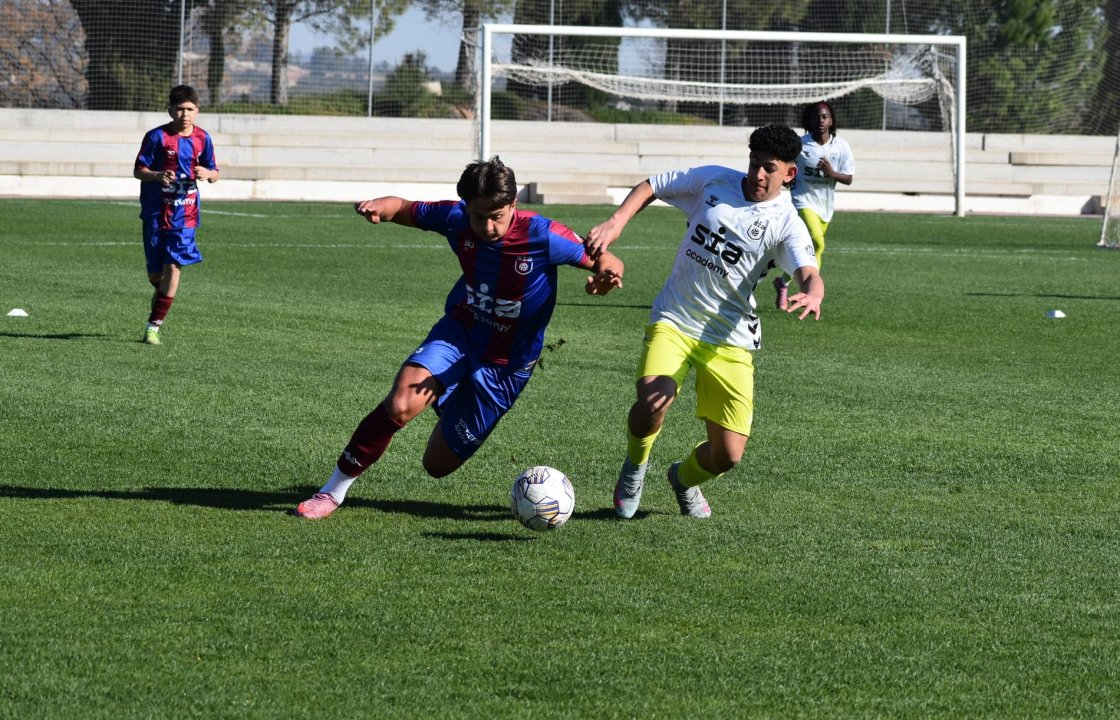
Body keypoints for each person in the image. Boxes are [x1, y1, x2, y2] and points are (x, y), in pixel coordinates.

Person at [296, 157, 624, 519]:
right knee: (400, 404)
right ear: (466, 207)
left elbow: (606, 260)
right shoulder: (456, 218)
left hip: (507, 368)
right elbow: (404, 208)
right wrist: (379, 208)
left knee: (436, 465)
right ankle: (332, 492)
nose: (487, 226)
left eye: (497, 215)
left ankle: (449, 397)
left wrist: (607, 276)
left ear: (514, 204)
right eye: (478, 215)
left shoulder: (544, 234)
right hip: (460, 335)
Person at [584, 125, 823, 520]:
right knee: (652, 402)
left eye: (769, 168)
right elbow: (652, 185)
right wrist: (616, 222)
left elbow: (808, 271)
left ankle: (682, 479)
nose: (757, 175)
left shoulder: (787, 222)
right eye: (753, 164)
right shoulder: (714, 180)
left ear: (789, 174)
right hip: (675, 318)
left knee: (728, 455)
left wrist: (813, 292)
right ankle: (634, 468)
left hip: (730, 338)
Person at [133, 84, 220, 345]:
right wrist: (158, 175)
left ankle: (153, 327)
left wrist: (208, 174)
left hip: (185, 214)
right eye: (180, 109)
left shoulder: (203, 138)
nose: (185, 114)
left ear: (197, 111)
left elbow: (215, 172)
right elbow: (139, 170)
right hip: (156, 212)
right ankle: (160, 297)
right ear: (170, 110)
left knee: (174, 265)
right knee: (155, 275)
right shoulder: (156, 137)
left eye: (190, 109)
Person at [774, 100, 853, 310]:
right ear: (809, 120)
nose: (820, 120)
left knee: (810, 249)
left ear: (831, 120)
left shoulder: (841, 147)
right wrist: (787, 180)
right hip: (803, 200)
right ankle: (809, 292)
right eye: (816, 116)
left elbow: (849, 178)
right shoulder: (801, 145)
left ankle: (783, 282)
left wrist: (832, 173)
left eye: (825, 116)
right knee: (818, 244)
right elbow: (786, 167)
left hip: (825, 206)